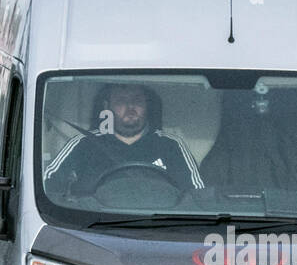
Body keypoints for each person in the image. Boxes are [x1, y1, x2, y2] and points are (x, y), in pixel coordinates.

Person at [43, 83, 205, 197]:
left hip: (160, 229)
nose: (130, 107)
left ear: (147, 106)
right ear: (107, 106)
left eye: (137, 101)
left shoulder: (171, 145)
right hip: (94, 230)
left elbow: (198, 194)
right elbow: (48, 184)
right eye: (121, 101)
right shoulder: (83, 144)